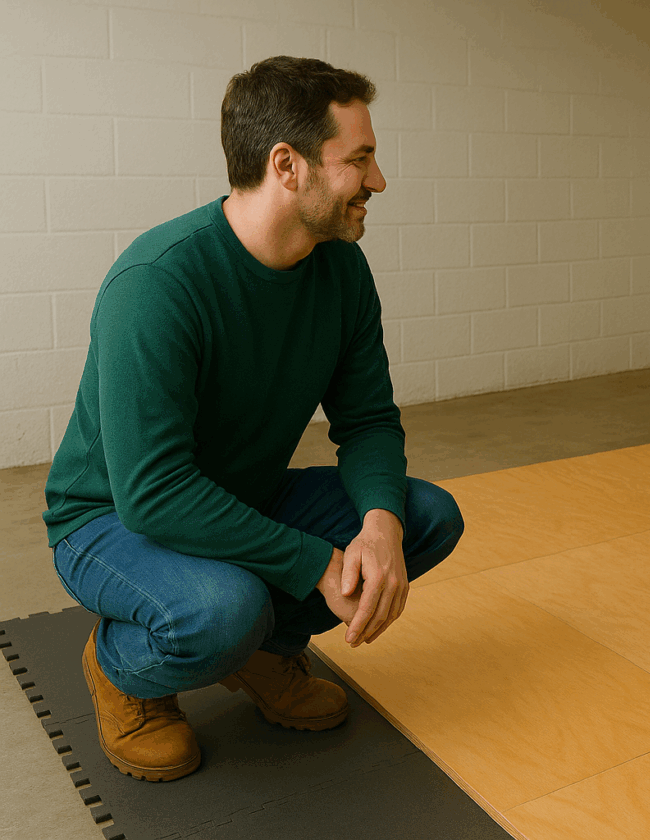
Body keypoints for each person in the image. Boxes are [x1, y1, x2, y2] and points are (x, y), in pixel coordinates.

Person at [42, 56, 464, 781]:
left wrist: (379, 526)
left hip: (241, 492)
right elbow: (154, 494)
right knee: (222, 611)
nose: (379, 181)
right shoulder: (157, 284)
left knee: (425, 515)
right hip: (110, 520)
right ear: (287, 165)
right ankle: (121, 670)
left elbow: (366, 421)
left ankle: (264, 658)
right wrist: (319, 563)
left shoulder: (341, 271)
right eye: (359, 159)